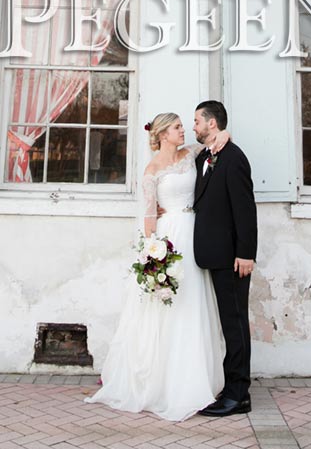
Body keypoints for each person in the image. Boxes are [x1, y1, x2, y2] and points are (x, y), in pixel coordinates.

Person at [85, 112, 228, 421]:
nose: (183, 131)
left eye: (183, 126)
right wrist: (153, 254)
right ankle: (162, 382)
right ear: (164, 134)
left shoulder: (191, 154)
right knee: (168, 305)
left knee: (195, 301)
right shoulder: (151, 171)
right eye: (177, 127)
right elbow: (150, 217)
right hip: (169, 237)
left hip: (195, 233)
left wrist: (224, 135)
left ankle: (196, 376)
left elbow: (219, 140)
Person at [193, 100, 257, 417]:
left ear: (212, 124)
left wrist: (246, 253)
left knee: (235, 324)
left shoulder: (234, 158)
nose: (193, 127)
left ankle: (238, 394)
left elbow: (245, 210)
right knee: (226, 324)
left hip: (233, 258)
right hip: (212, 255)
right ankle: (229, 387)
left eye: (197, 121)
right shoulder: (205, 157)